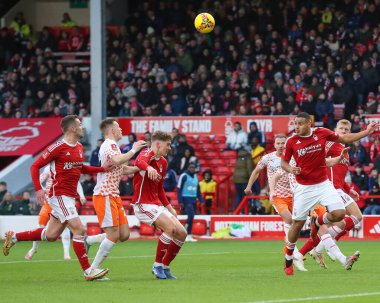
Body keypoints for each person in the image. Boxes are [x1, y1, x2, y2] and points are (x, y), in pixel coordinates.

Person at [3, 115, 112, 281]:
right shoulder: (57, 147)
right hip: (58, 195)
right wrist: (39, 189)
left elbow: (80, 167)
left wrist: (101, 169)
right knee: (79, 230)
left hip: (68, 197)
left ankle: (15, 236)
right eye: (79, 125)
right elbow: (35, 165)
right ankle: (89, 271)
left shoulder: (80, 147)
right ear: (72, 129)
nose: (82, 127)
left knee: (51, 235)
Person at [281, 112, 377, 275]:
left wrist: (367, 132)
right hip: (304, 187)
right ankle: (289, 258)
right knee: (297, 224)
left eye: (300, 123)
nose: (297, 126)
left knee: (339, 214)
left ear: (309, 124)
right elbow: (284, 162)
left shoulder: (323, 133)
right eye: (296, 124)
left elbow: (343, 142)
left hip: (324, 185)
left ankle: (318, 224)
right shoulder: (291, 141)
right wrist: (291, 169)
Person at [89, 118, 146, 275]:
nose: (121, 130)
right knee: (114, 235)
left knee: (124, 234)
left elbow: (121, 168)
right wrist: (134, 150)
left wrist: (142, 167)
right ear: (112, 130)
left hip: (113, 194)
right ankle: (91, 270)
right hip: (105, 193)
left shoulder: (113, 146)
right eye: (119, 127)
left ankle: (89, 241)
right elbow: (117, 160)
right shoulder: (110, 144)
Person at [132, 131, 187, 279]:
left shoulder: (163, 162)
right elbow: (138, 162)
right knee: (170, 228)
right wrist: (149, 168)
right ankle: (157, 266)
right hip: (142, 204)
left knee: (182, 233)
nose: (170, 148)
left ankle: (165, 266)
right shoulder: (146, 153)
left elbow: (160, 188)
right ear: (157, 144)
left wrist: (170, 208)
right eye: (167, 144)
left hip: (156, 204)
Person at [24, 166, 104, 261]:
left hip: (64, 200)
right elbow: (38, 180)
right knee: (41, 226)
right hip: (49, 201)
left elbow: (76, 182)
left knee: (65, 226)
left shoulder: (69, 166)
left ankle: (66, 254)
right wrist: (42, 190)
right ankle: (34, 249)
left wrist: (81, 195)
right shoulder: (48, 168)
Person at [177, 163, 204, 242]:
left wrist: (201, 200)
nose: (192, 169)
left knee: (191, 217)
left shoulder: (196, 177)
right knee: (191, 215)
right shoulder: (184, 176)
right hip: (186, 198)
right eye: (190, 167)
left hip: (193, 198)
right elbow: (179, 189)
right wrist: (180, 200)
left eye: (193, 167)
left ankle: (187, 234)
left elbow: (198, 190)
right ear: (188, 168)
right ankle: (186, 234)